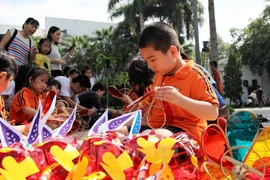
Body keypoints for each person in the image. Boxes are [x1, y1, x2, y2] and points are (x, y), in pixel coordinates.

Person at [119, 22, 219, 139]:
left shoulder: (195, 75)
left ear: (172, 52)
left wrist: (179, 99)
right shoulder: (159, 76)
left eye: (153, 60)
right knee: (115, 132)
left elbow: (213, 113)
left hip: (187, 131)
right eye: (147, 62)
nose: (150, 66)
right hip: (157, 127)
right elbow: (151, 106)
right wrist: (145, 105)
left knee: (148, 138)